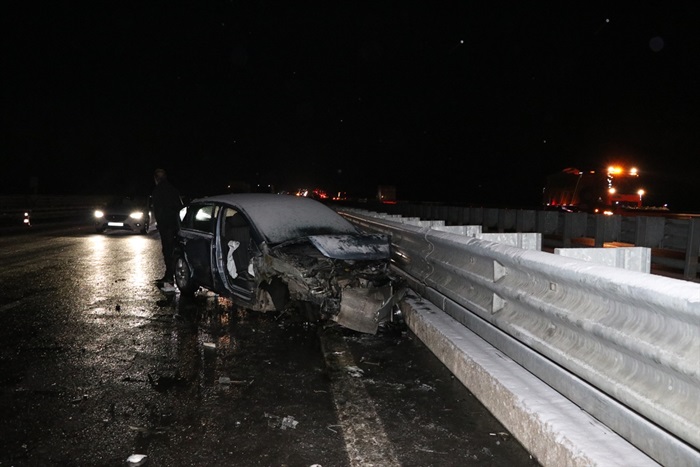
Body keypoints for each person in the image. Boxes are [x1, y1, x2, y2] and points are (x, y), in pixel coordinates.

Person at [151, 168, 183, 292]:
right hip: (175, 225)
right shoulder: (173, 190)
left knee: (168, 250)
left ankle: (169, 276)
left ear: (156, 178)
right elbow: (179, 207)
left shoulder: (157, 191)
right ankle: (172, 275)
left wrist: (160, 224)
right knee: (174, 250)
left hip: (166, 226)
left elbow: (158, 211)